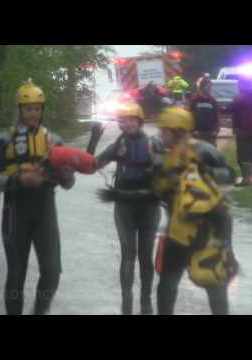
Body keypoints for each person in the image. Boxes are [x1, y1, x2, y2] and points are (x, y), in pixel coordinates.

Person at [0, 79, 75, 315]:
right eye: (28, 109)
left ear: (42, 110)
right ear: (19, 110)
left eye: (37, 108)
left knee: (52, 270)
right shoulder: (4, 139)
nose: (33, 113)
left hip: (44, 210)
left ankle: (39, 310)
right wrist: (17, 180)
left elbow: (68, 183)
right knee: (16, 272)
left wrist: (66, 175)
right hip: (16, 210)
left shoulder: (54, 140)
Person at [153, 106, 238, 315]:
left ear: (178, 131)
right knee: (166, 283)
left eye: (164, 131)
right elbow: (160, 190)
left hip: (206, 231)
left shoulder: (203, 150)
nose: (160, 135)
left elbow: (230, 174)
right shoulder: (169, 156)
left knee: (214, 283)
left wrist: (205, 173)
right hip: (177, 230)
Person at [93, 102, 163, 315]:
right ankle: (126, 304)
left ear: (140, 121)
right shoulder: (118, 145)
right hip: (124, 205)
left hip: (149, 206)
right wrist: (93, 140)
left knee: (145, 254)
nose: (126, 123)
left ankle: (145, 301)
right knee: (128, 254)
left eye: (131, 119)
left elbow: (167, 175)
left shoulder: (154, 143)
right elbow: (92, 164)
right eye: (123, 119)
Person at [224, 77, 252, 187]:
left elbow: (232, 109)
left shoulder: (239, 98)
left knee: (242, 155)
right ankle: (249, 178)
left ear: (241, 85)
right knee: (251, 154)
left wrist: (222, 109)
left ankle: (246, 179)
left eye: (239, 84)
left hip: (241, 129)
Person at [190, 76, 221, 146]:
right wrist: (192, 130)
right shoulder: (194, 100)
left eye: (210, 87)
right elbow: (190, 116)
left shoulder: (213, 101)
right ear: (202, 87)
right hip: (197, 134)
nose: (210, 89)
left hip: (210, 135)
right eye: (208, 87)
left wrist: (216, 130)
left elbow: (217, 117)